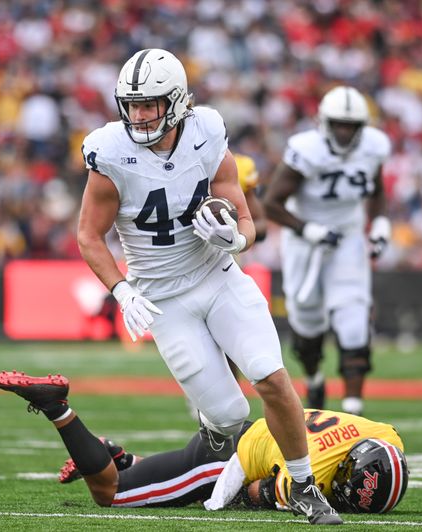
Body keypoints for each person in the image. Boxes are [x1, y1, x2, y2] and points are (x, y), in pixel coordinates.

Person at [75, 48, 341, 524]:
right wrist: (121, 290)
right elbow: (89, 235)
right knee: (229, 417)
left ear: (176, 103)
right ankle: (214, 432)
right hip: (162, 299)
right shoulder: (110, 150)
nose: (138, 114)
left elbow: (244, 218)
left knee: (272, 378)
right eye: (131, 104)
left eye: (149, 104)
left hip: (218, 276)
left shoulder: (206, 132)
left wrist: (236, 236)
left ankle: (304, 486)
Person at [0, 370, 408, 515]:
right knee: (109, 492)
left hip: (242, 434)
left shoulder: (386, 436)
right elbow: (258, 491)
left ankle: (121, 456)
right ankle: (57, 408)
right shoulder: (312, 468)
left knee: (175, 476)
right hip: (224, 458)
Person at [263, 86, 392, 416]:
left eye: (352, 126)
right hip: (304, 239)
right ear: (324, 123)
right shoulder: (305, 150)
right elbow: (272, 204)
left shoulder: (375, 146)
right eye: (339, 125)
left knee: (353, 316)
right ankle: (314, 378)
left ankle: (353, 408)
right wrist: (308, 229)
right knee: (306, 320)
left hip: (347, 236)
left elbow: (375, 189)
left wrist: (378, 223)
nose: (345, 132)